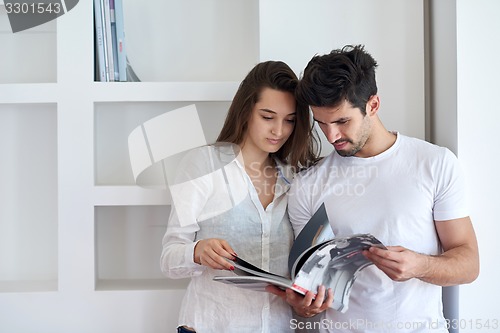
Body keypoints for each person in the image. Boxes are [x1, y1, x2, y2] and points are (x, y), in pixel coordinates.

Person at [268, 45, 480, 332]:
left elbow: (468, 265)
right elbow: (307, 282)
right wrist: (303, 306)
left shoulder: (434, 163)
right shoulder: (308, 184)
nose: (332, 136)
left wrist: (419, 266)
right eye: (322, 123)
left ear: (373, 105)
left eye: (342, 121)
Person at [160, 60, 319, 332]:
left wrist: (306, 299)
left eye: (289, 120)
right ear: (246, 112)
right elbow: (169, 259)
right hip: (212, 324)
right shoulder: (205, 164)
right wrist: (197, 251)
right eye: (267, 117)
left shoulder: (295, 179)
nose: (278, 130)